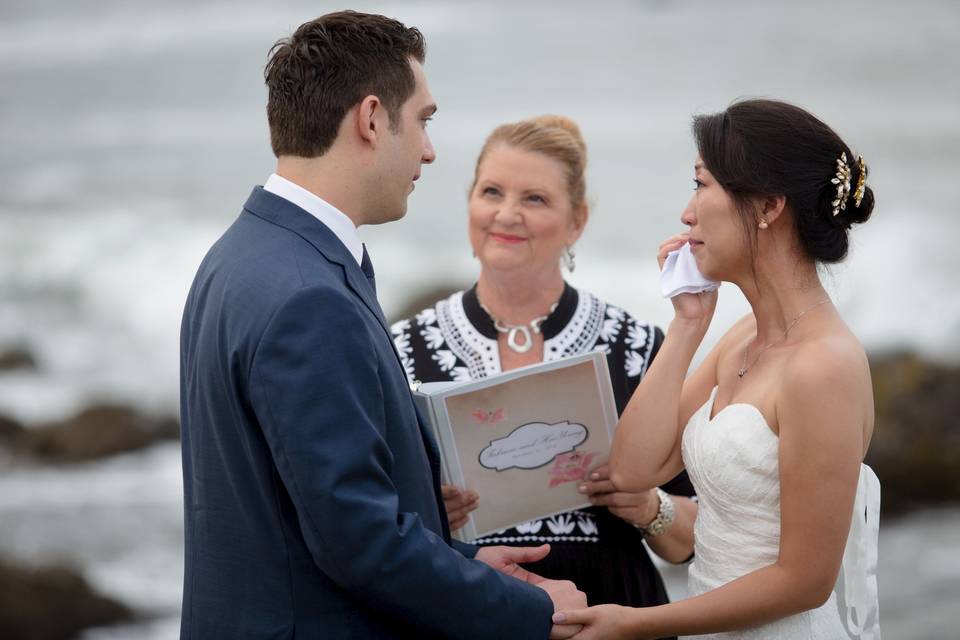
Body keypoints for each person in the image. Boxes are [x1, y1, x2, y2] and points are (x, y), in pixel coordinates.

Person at [178, 12, 585, 639]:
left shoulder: (239, 255)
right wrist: (533, 610)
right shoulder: (307, 299)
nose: (428, 149)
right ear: (371, 119)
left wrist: (466, 563)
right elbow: (359, 545)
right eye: (423, 119)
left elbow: (297, 509)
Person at [553, 99, 881, 639]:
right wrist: (686, 323)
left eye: (702, 184)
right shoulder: (739, 338)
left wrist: (638, 624)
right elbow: (633, 470)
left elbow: (805, 581)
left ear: (769, 206)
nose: (687, 212)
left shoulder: (824, 367)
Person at [390, 115, 698, 612]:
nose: (506, 214)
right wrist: (423, 513)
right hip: (465, 612)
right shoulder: (401, 349)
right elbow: (365, 521)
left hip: (614, 611)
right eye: (491, 192)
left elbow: (694, 538)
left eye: (534, 198)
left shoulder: (636, 346)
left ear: (576, 220)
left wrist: (647, 506)